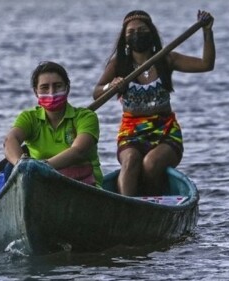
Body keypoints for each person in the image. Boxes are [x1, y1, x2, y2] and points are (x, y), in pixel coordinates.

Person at [92, 10, 215, 196]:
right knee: (131, 159)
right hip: (131, 132)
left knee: (151, 163)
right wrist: (112, 85)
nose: (136, 35)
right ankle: (128, 207)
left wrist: (207, 32)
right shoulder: (119, 64)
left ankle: (151, 205)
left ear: (151, 33)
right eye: (131, 32)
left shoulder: (166, 59)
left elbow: (206, 64)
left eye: (141, 30)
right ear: (125, 40)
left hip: (165, 130)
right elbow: (97, 93)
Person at [4, 61, 103, 187]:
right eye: (45, 87)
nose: (51, 92)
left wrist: (41, 167)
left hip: (84, 185)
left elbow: (78, 151)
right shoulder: (29, 117)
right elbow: (10, 140)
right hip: (43, 184)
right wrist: (20, 164)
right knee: (9, 168)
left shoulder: (86, 117)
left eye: (57, 86)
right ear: (36, 92)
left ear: (67, 89)